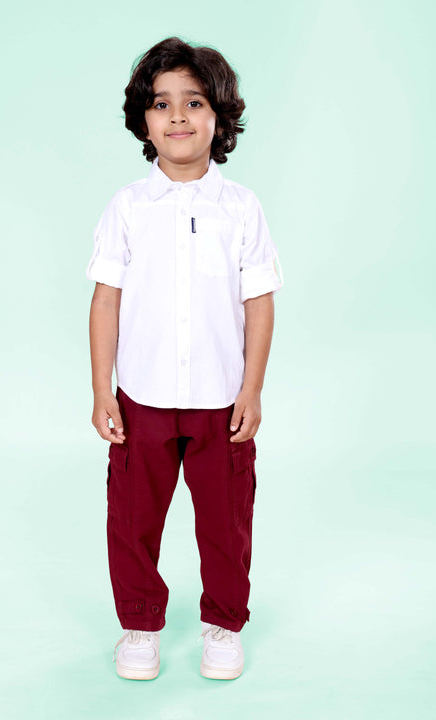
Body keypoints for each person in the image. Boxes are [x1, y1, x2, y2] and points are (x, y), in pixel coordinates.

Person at [86, 36, 283, 681]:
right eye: (161, 103)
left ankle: (223, 624)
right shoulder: (127, 207)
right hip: (140, 398)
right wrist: (103, 389)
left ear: (219, 117)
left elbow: (258, 302)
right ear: (143, 120)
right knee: (133, 519)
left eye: (194, 102)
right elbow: (106, 301)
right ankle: (139, 625)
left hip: (220, 400)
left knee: (226, 521)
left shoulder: (241, 208)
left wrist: (251, 389)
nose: (177, 116)